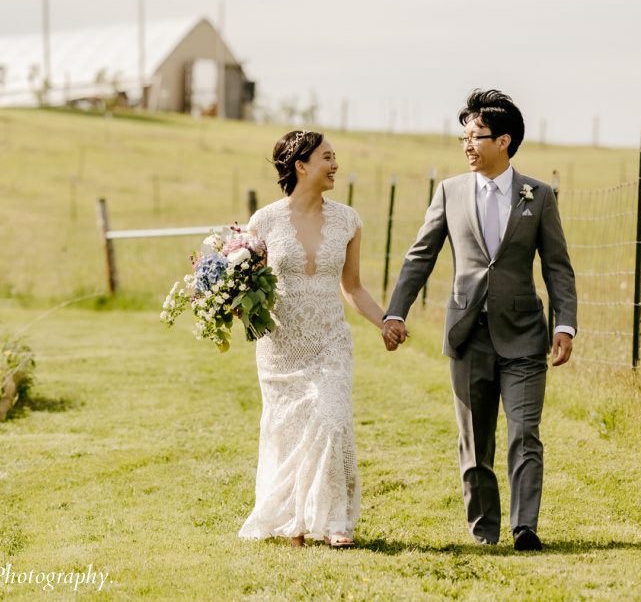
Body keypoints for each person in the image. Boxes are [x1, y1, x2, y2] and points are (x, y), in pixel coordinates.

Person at [382, 89, 576, 551]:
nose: (467, 145)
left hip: (526, 335)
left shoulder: (538, 196)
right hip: (468, 336)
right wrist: (395, 311)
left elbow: (557, 267)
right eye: (463, 137)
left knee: (525, 432)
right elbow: (419, 257)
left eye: (476, 136)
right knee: (475, 442)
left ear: (504, 140)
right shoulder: (449, 191)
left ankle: (524, 526)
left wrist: (565, 324)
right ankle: (484, 531)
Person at [239, 130, 389, 547]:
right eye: (327, 157)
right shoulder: (264, 222)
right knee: (289, 432)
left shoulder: (348, 220)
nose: (335, 164)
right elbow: (250, 285)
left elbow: (353, 287)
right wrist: (231, 302)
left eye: (335, 156)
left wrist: (385, 322)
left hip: (330, 341)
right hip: (281, 346)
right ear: (301, 166)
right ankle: (296, 522)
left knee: (332, 418)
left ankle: (336, 521)